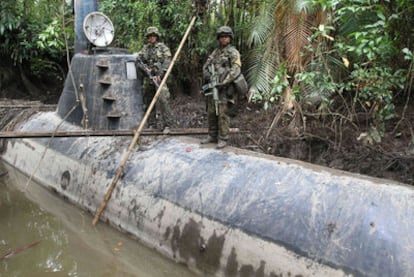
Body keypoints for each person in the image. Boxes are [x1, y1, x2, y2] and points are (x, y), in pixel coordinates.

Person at [201, 26, 241, 149]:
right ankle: (212, 135)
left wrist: (224, 82)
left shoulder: (233, 52)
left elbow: (236, 69)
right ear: (219, 38)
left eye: (226, 37)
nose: (224, 39)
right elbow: (206, 65)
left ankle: (223, 138)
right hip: (213, 87)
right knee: (211, 112)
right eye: (222, 37)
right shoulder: (216, 52)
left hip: (225, 88)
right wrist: (207, 74)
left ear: (230, 38)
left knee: (223, 113)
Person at [136, 26, 174, 132]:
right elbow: (138, 60)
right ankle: (151, 124)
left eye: (153, 36)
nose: (151, 38)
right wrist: (145, 70)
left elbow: (167, 61)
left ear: (156, 36)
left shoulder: (163, 48)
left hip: (159, 78)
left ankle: (168, 125)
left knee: (163, 100)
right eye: (150, 36)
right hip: (149, 78)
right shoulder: (145, 49)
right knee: (148, 100)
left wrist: (160, 74)